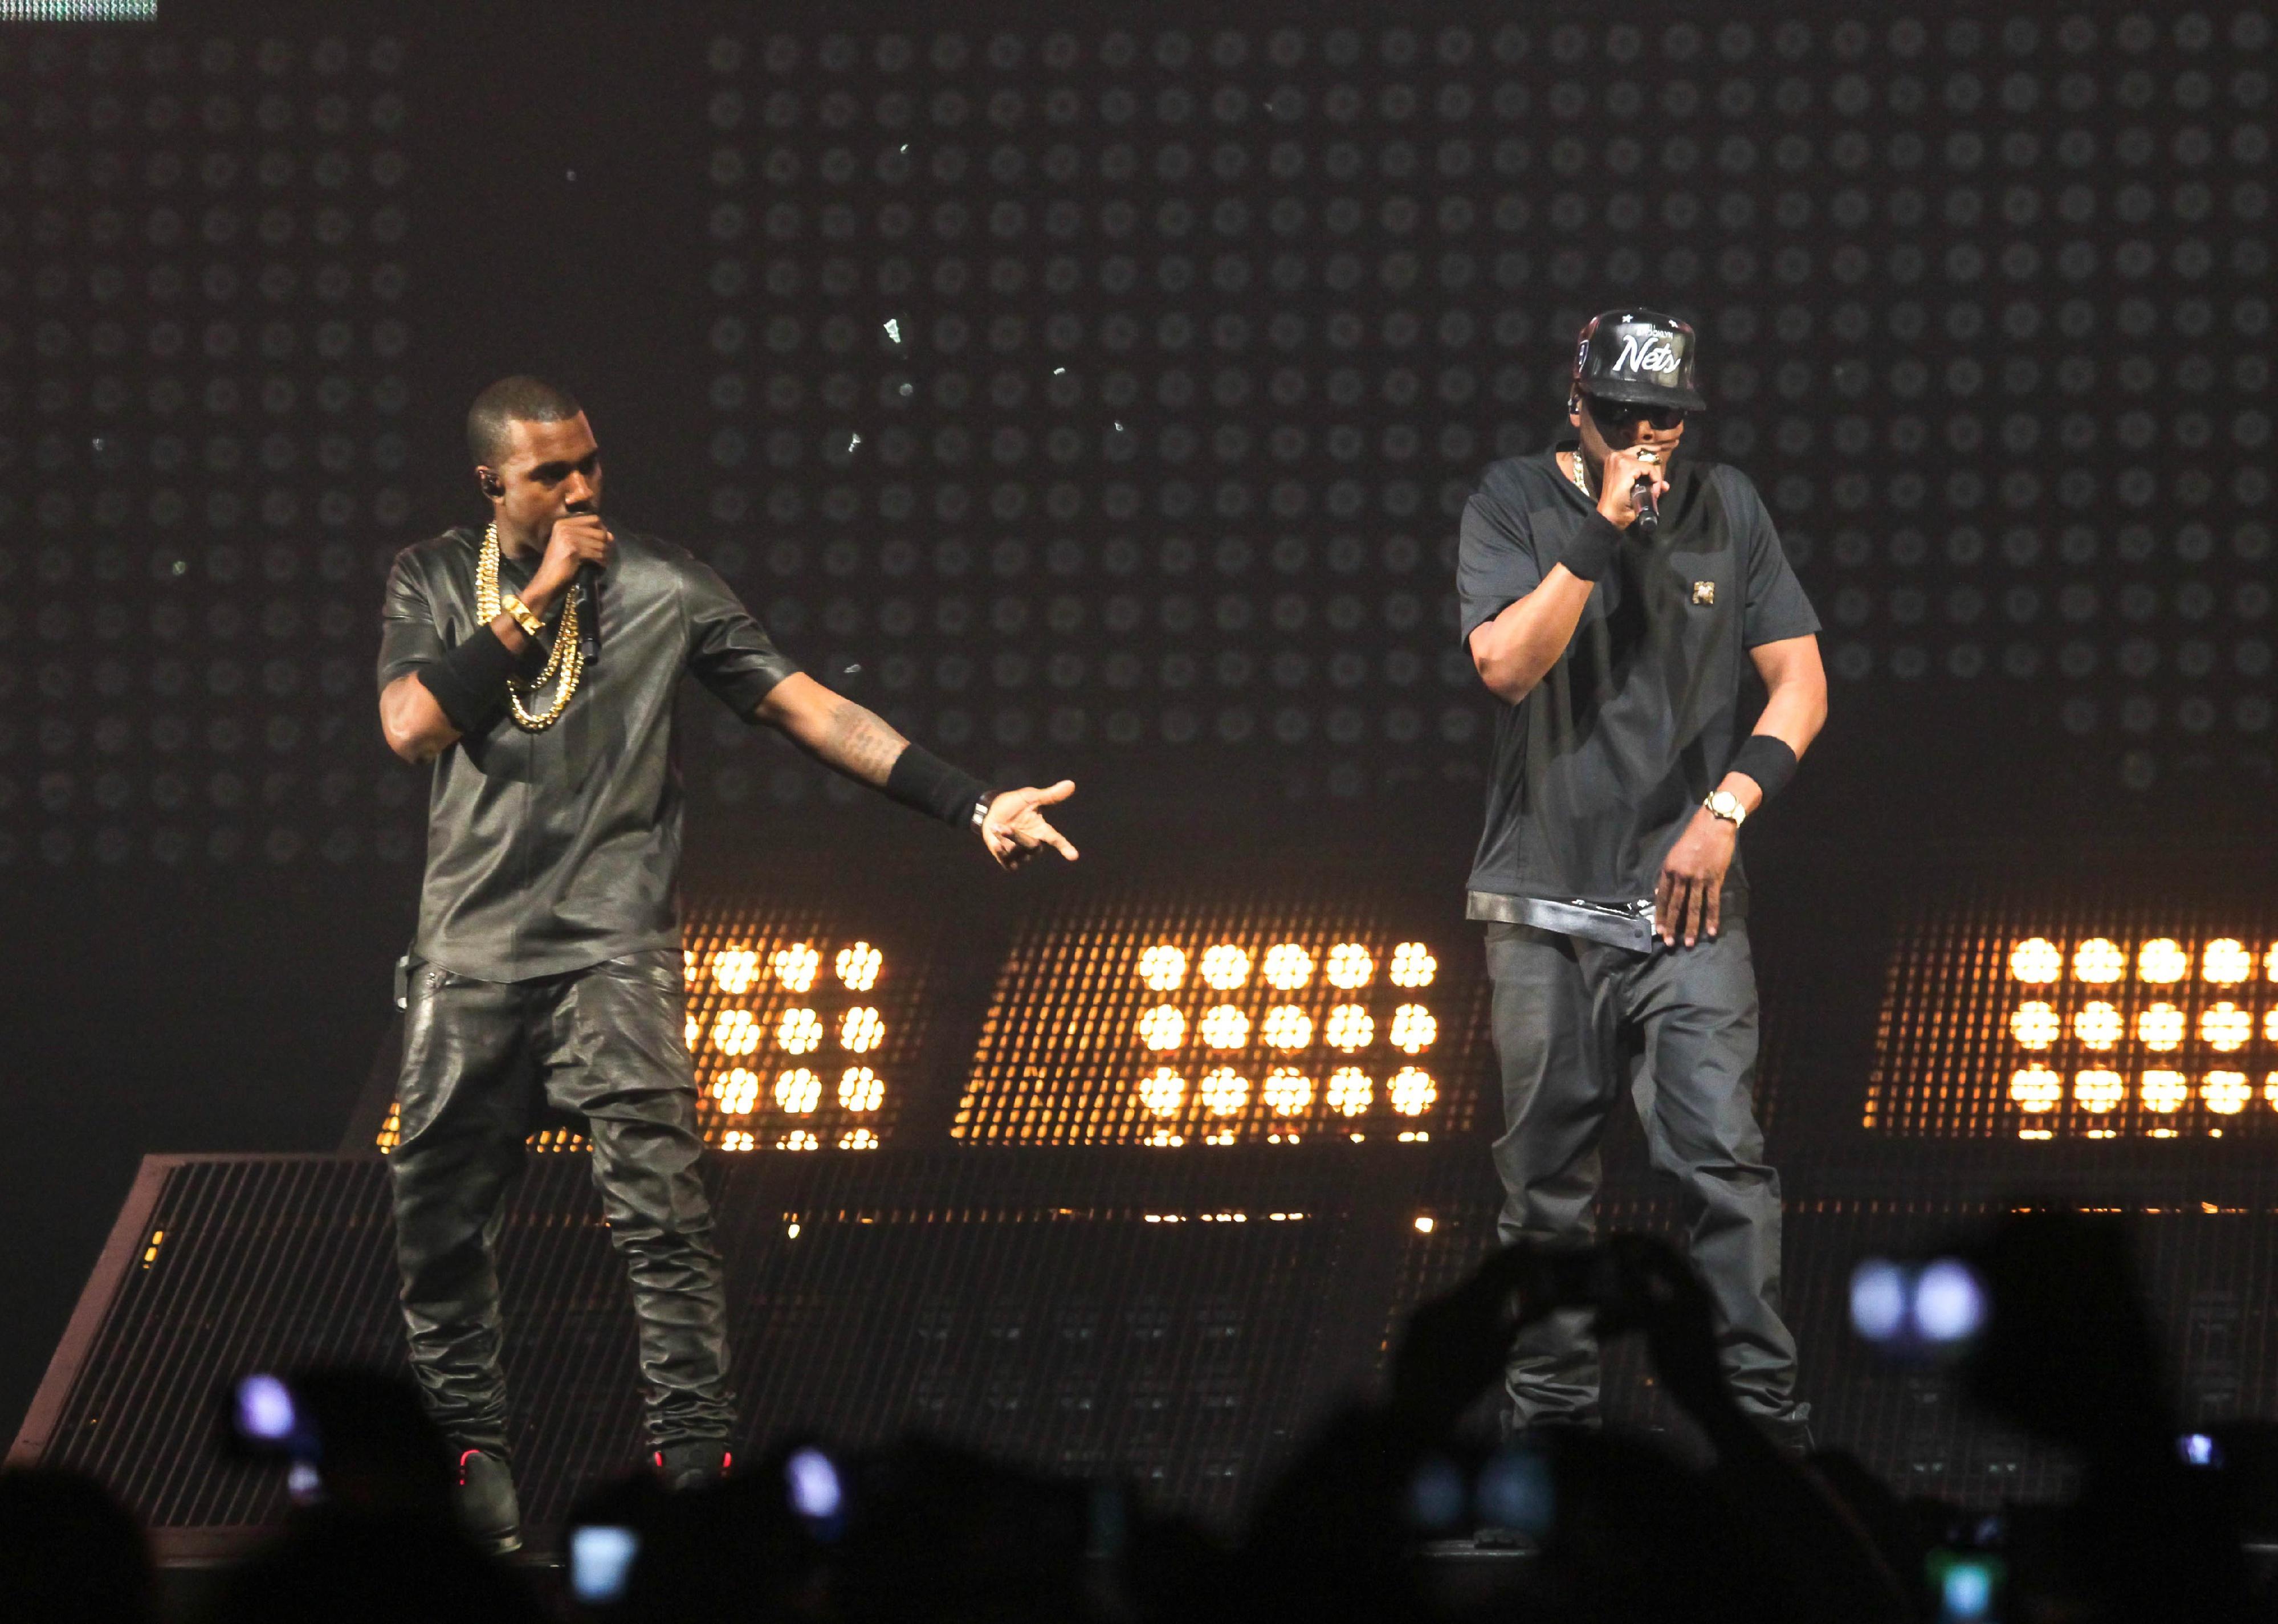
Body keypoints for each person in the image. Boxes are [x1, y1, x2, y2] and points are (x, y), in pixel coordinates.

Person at [375, 376, 1079, 1551]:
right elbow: (410, 727)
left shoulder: (663, 584)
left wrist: (970, 807)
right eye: (552, 473)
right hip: (468, 962)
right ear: (493, 480)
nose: (583, 488)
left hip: (614, 959)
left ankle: (692, 1478)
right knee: (438, 1235)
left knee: (666, 1228)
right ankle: (470, 1476)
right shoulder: (435, 578)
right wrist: (536, 602)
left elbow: (814, 713)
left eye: (590, 463)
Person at [1454, 309, 1827, 1449]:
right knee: (1547, 1186)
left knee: (1722, 1161)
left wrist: (1726, 810)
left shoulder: (1729, 509)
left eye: (1663, 419)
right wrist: (1599, 532)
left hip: (1687, 905)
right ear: (1577, 407)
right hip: (1542, 904)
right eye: (1621, 418)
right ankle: (1551, 1438)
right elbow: (1506, 666)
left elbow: (1801, 687)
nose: (1645, 439)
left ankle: (1754, 1434)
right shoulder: (1514, 500)